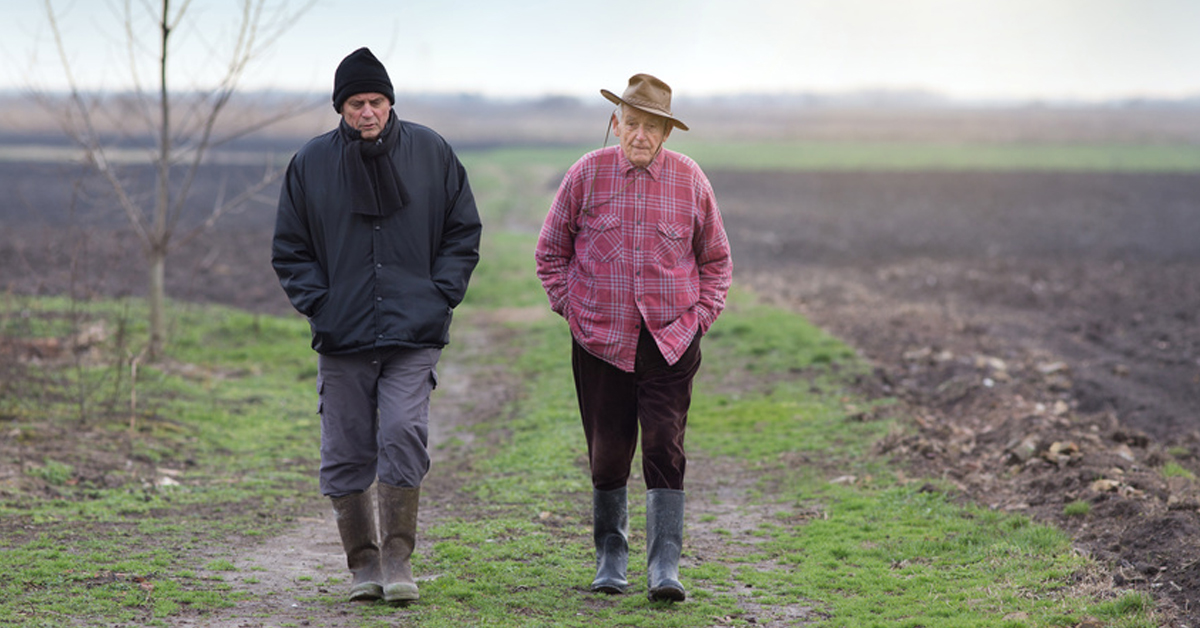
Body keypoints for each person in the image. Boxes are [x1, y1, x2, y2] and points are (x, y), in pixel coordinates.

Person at [271, 47, 481, 605]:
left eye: (378, 102)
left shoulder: (431, 152)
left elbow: (464, 231)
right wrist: (323, 305)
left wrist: (439, 296)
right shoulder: (311, 163)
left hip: (414, 333)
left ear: (391, 102)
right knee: (344, 450)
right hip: (343, 337)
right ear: (340, 107)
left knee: (403, 433)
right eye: (357, 103)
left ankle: (398, 556)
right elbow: (290, 249)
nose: (369, 113)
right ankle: (363, 563)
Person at [534, 73, 732, 602]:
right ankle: (610, 559)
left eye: (652, 127)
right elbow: (550, 252)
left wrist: (699, 319)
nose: (640, 135)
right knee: (607, 453)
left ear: (666, 133)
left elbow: (716, 261)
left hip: (670, 340)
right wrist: (572, 309)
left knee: (666, 447)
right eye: (632, 123)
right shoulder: (585, 175)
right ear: (615, 123)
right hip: (600, 339)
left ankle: (664, 567)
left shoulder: (690, 180)